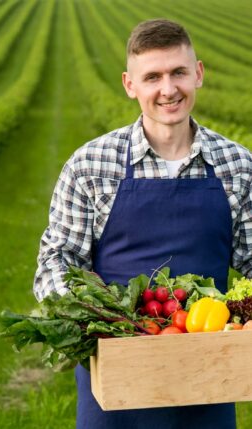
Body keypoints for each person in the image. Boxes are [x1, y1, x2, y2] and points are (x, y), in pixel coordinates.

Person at [33, 18, 252, 429]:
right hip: (115, 380)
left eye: (178, 73)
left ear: (198, 74)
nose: (168, 90)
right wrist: (90, 319)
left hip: (207, 371)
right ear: (129, 84)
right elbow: (57, 259)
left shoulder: (237, 166)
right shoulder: (91, 165)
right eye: (152, 76)